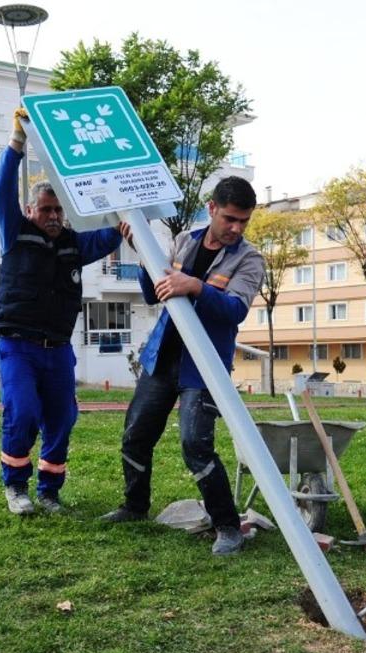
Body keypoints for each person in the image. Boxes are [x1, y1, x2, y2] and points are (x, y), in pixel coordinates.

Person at [101, 177, 265, 555]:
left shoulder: (249, 259)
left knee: (196, 445)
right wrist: (142, 253)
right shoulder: (184, 242)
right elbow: (151, 293)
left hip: (203, 367)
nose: (236, 228)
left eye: (244, 221)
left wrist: (195, 286)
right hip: (163, 357)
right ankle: (134, 506)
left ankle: (227, 526)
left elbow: (234, 310)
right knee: (136, 434)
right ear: (212, 209)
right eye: (230, 218)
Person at [0, 108, 123, 515]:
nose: (52, 216)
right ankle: (16, 487)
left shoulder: (73, 244)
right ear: (32, 210)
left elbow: (111, 231)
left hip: (59, 349)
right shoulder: (16, 232)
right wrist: (17, 143)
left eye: (57, 211)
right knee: (24, 411)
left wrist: (124, 197)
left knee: (62, 418)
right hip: (18, 345)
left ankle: (49, 491)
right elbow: (0, 193)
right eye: (45, 209)